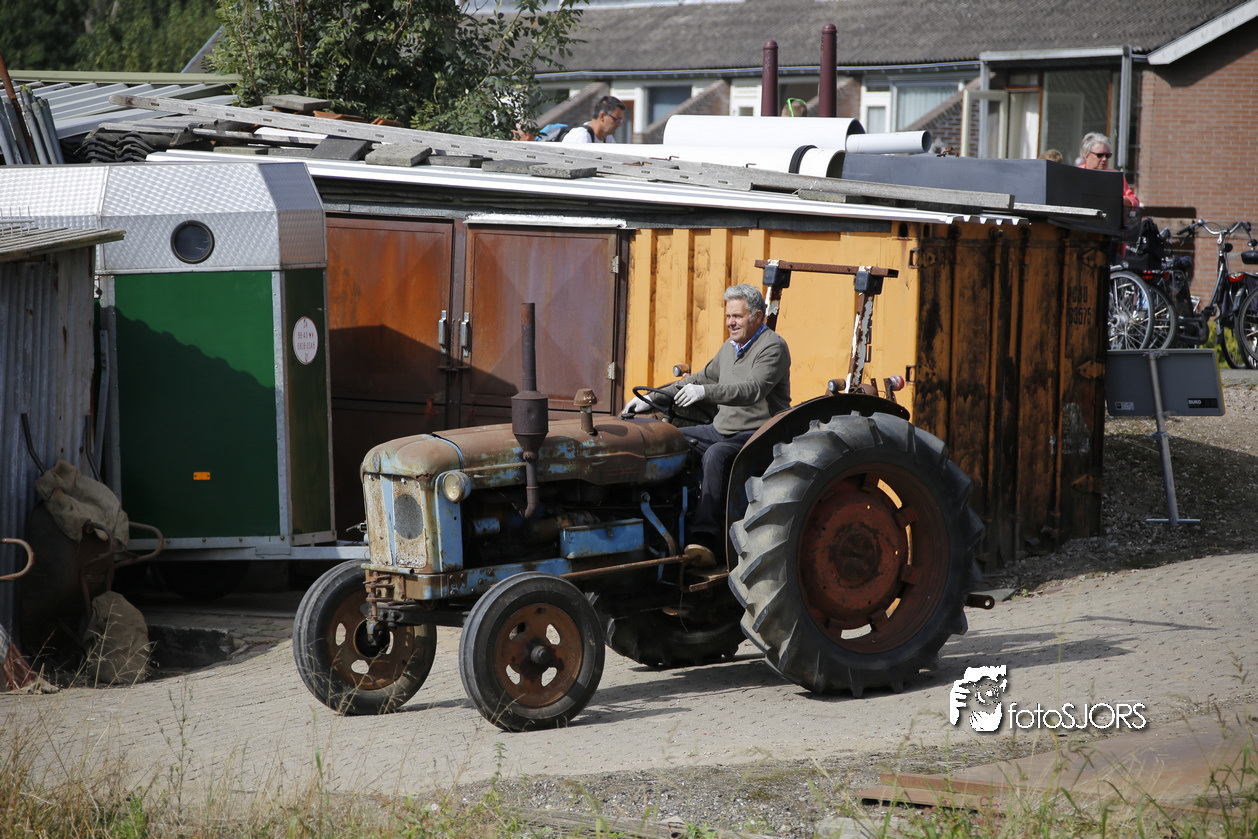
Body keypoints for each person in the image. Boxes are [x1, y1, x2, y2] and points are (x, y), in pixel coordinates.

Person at [622, 284, 791, 565]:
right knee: (667, 439)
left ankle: (705, 539)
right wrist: (653, 399)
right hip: (721, 429)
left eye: (737, 316)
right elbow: (699, 379)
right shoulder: (730, 348)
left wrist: (705, 393)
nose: (730, 323)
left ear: (757, 317)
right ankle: (662, 519)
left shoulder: (772, 347)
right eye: (728, 316)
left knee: (716, 455)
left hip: (758, 434)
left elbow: (753, 389)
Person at [1078, 132, 1139, 207]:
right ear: (1086, 155)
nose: (1104, 159)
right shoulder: (1076, 175)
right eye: (1100, 155)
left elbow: (1134, 201)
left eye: (1107, 155)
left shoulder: (1115, 176)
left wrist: (1115, 200)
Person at [561, 95, 625, 144]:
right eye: (616, 119)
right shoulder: (582, 136)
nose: (619, 124)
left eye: (620, 120)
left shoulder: (608, 137)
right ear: (602, 116)